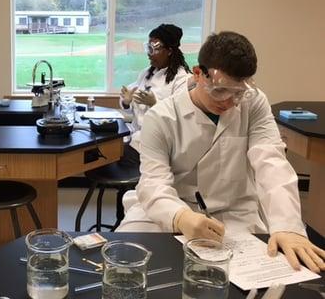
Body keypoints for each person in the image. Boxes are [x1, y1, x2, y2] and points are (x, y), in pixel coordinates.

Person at [117, 31, 325, 273]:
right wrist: (179, 217)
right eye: (220, 91)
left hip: (233, 212)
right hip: (168, 207)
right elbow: (153, 182)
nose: (228, 102)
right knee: (127, 264)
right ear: (198, 74)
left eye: (238, 93)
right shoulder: (162, 116)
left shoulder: (253, 102)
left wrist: (288, 226)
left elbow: (271, 161)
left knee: (274, 272)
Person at [110, 24, 191, 222]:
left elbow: (181, 116)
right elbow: (130, 106)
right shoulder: (146, 73)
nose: (150, 54)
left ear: (170, 50)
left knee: (114, 157)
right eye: (148, 47)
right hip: (137, 139)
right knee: (107, 152)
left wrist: (156, 103)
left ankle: (125, 219)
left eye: (155, 48)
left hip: (158, 146)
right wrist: (127, 101)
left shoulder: (182, 80)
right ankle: (124, 217)